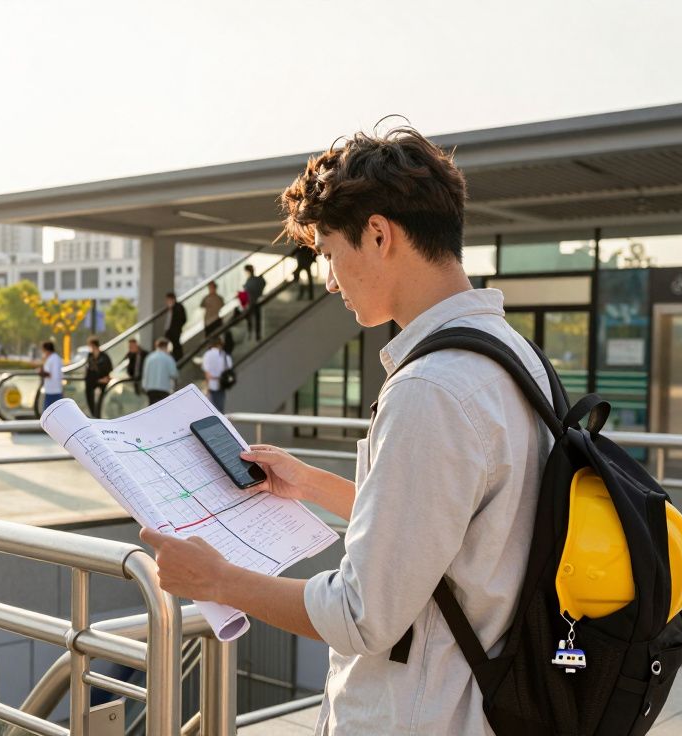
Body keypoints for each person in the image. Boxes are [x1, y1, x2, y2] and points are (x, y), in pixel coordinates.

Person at [139, 126, 554, 734]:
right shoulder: (513, 356)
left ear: (380, 234)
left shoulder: (431, 389)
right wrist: (311, 484)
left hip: (423, 713)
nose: (329, 279)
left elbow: (362, 615)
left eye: (330, 253)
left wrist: (218, 579)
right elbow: (444, 530)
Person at [140, 337, 177, 405]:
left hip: (150, 390)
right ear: (166, 346)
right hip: (164, 389)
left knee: (153, 409)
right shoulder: (168, 358)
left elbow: (145, 374)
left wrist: (145, 387)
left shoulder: (149, 358)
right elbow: (174, 374)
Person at [83, 337, 113, 418]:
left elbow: (109, 369)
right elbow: (88, 371)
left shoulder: (104, 357)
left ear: (94, 345)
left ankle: (98, 417)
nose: (90, 348)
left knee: (101, 403)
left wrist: (105, 379)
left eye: (90, 346)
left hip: (103, 383)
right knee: (92, 402)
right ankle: (94, 416)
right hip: (93, 383)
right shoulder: (90, 356)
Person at [201, 335, 232, 412]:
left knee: (211, 410)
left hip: (211, 385)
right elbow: (229, 368)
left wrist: (207, 387)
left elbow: (207, 373)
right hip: (221, 384)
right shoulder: (225, 355)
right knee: (220, 410)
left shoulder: (207, 355)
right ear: (220, 344)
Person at [243, 264, 266, 339]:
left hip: (253, 301)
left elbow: (249, 290)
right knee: (255, 318)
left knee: (251, 317)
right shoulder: (255, 279)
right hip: (254, 301)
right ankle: (256, 334)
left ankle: (253, 334)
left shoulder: (253, 280)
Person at [39, 340, 64, 410]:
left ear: (46, 350)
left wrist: (41, 372)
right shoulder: (53, 358)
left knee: (49, 413)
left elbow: (53, 375)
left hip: (53, 391)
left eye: (43, 350)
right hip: (52, 389)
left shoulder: (53, 359)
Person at [164, 292, 187, 361]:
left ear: (172, 299)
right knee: (173, 345)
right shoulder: (170, 308)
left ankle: (178, 359)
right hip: (169, 330)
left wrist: (177, 327)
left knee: (176, 345)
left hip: (175, 330)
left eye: (168, 299)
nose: (167, 301)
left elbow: (183, 319)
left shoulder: (178, 307)